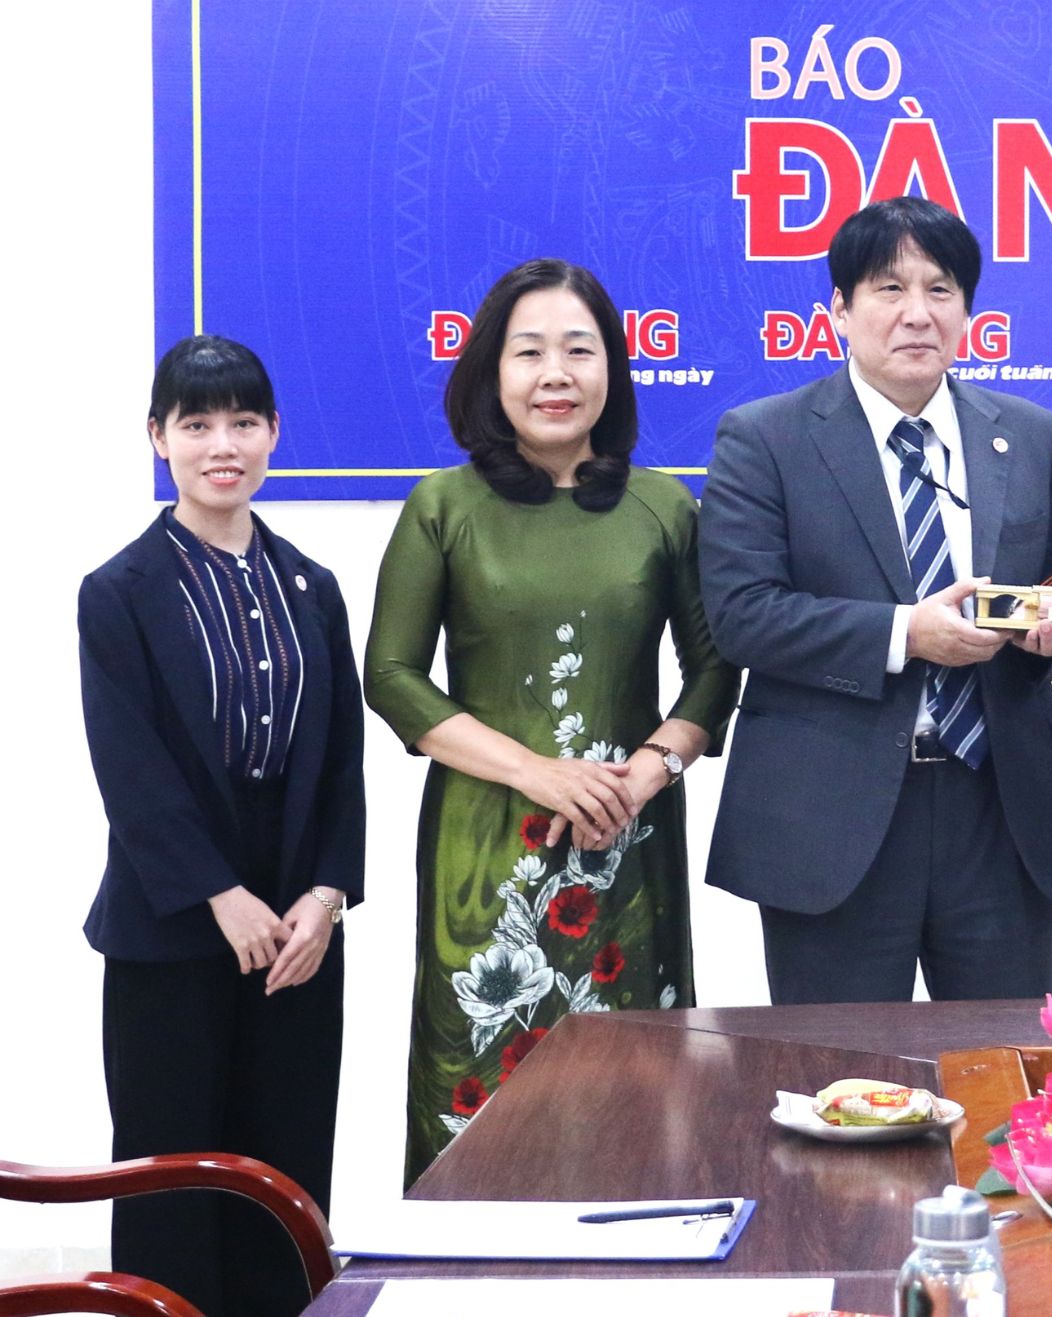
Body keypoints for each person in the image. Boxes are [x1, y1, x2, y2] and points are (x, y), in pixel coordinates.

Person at [364, 259, 737, 1184]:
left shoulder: (663, 508)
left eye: (580, 349)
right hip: (486, 848)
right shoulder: (442, 506)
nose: (555, 374)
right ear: (492, 371)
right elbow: (392, 676)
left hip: (628, 837)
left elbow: (716, 668)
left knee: (637, 1087)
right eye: (529, 352)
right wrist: (534, 772)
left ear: (613, 367)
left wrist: (645, 772)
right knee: (480, 1079)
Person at [699, 196, 1052, 1004]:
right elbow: (742, 614)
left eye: (940, 289)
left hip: (1003, 808)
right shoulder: (764, 437)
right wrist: (904, 633)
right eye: (888, 289)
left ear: (968, 310)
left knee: (1004, 1082)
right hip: (829, 813)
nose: (918, 313)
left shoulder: (1030, 433)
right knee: (835, 1082)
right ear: (840, 308)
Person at [78, 335, 365, 1316]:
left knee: (282, 1162)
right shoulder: (118, 592)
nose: (222, 443)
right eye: (196, 423)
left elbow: (337, 760)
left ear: (275, 433)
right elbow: (131, 767)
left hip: (296, 913)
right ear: (159, 438)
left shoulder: (313, 587)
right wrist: (217, 892)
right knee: (174, 1170)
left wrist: (325, 895)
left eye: (243, 420)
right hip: (172, 917)